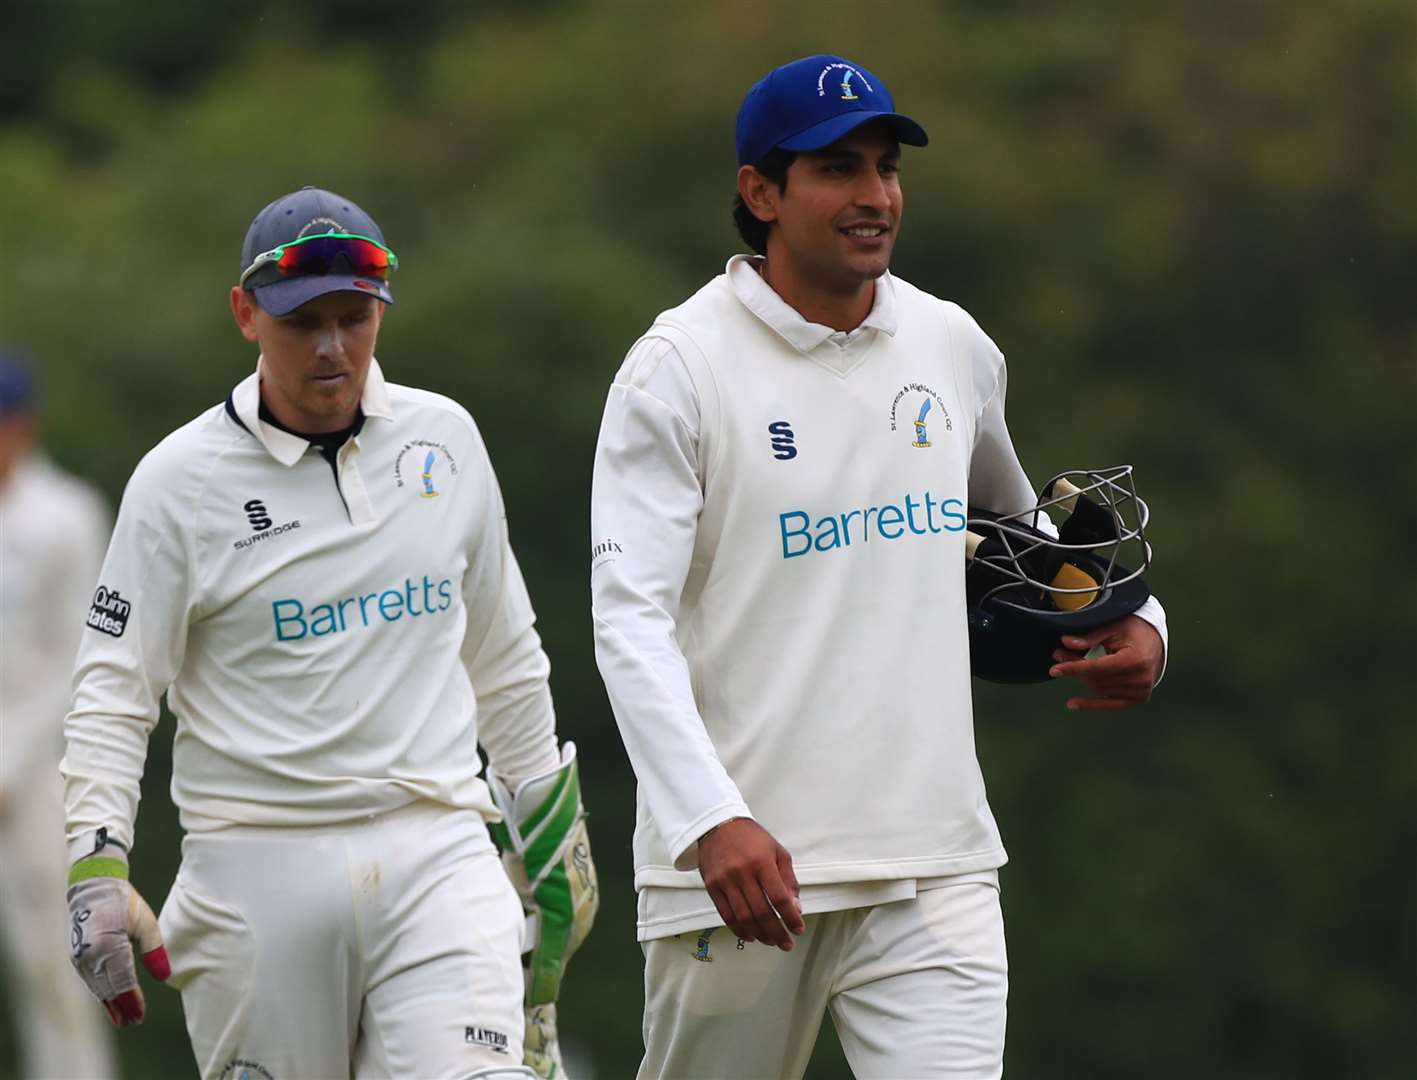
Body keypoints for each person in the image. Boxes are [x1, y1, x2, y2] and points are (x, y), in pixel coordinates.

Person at [590, 55, 1168, 1078]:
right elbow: (626, 619)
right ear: (760, 193)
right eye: (838, 169)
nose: (874, 196)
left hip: (932, 863)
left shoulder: (949, 344)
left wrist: (1142, 623)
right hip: (741, 871)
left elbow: (1020, 537)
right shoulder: (677, 368)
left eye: (887, 167)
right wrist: (706, 817)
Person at [61, 187, 597, 1080]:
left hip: (438, 848)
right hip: (256, 868)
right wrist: (95, 863)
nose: (331, 348)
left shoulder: (446, 441)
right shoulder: (179, 481)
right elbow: (115, 691)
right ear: (246, 315)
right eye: (302, 321)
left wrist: (547, 819)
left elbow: (503, 654)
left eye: (354, 317)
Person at [0, 353, 118, 1079]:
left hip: (38, 776)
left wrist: (8, 764)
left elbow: (82, 655)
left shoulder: (65, 514)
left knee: (56, 972)